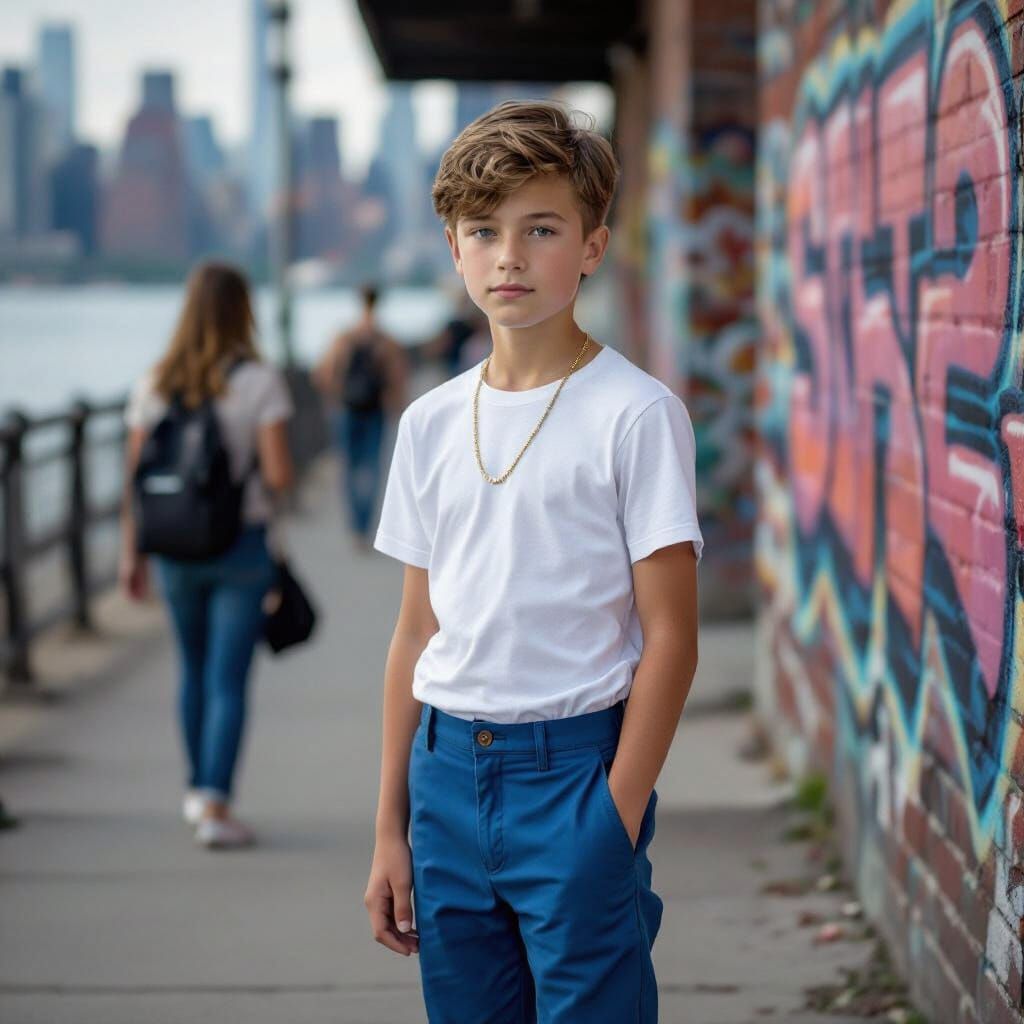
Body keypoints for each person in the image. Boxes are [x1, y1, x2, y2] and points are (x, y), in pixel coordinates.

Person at [363, 100, 703, 1022]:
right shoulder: (429, 422)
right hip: (441, 781)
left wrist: (616, 814)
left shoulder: (635, 413)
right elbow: (415, 632)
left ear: (591, 246)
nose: (509, 255)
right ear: (454, 248)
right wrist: (389, 825)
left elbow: (671, 634)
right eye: (485, 231)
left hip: (576, 775)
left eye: (541, 229)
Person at [118, 260, 295, 850]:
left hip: (172, 549)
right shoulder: (258, 381)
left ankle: (197, 790)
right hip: (240, 546)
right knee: (228, 679)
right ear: (242, 311)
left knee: (191, 671)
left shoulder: (154, 382)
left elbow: (135, 479)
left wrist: (130, 555)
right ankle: (216, 805)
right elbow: (278, 473)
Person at [313, 284, 408, 553]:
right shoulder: (386, 340)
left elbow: (323, 374)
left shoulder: (345, 337)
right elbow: (397, 378)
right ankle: (365, 528)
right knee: (373, 468)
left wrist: (335, 398)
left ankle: (355, 527)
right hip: (375, 410)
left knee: (349, 468)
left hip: (347, 409)